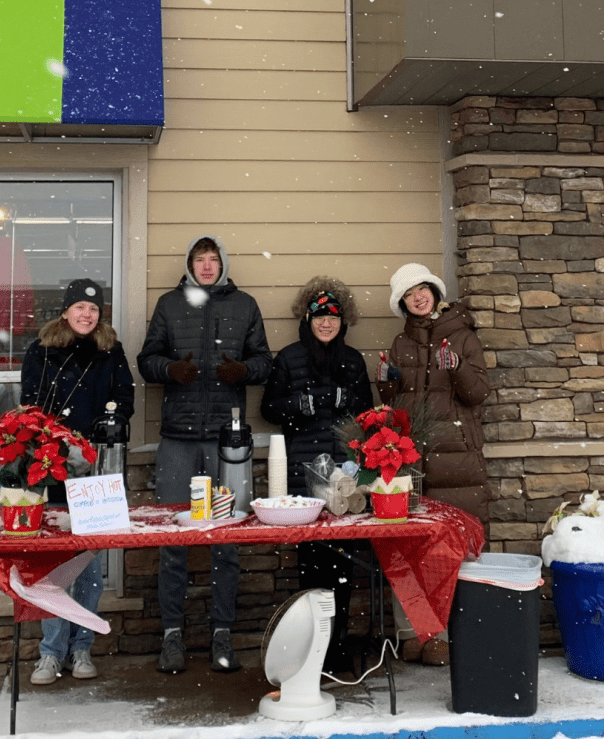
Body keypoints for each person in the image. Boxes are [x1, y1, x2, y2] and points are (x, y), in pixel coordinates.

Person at [137, 235, 271, 674]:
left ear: (223, 264)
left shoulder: (245, 304)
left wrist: (243, 371)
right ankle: (172, 636)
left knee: (226, 540)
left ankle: (222, 635)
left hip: (226, 443)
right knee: (173, 541)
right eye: (200, 260)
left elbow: (263, 362)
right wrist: (171, 370)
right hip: (177, 439)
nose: (208, 266)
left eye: (214, 260)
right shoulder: (170, 304)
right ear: (190, 264)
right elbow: (147, 359)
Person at [21, 279, 135, 685]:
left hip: (97, 470)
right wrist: (54, 441)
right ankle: (50, 653)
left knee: (86, 564)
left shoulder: (111, 351)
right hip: (52, 466)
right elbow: (31, 405)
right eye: (80, 308)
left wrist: (112, 421)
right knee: (53, 566)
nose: (87, 315)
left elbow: (125, 397)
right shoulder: (41, 351)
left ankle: (82, 647)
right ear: (66, 311)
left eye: (93, 309)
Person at [376, 262, 490, 665]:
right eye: (410, 294)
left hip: (457, 459)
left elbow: (478, 395)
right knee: (406, 549)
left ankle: (446, 634)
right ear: (403, 303)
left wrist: (456, 370)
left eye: (423, 289)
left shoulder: (463, 337)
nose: (418, 297)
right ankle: (413, 632)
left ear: (435, 293)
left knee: (452, 551)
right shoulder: (399, 343)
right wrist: (386, 381)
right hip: (411, 464)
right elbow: (392, 405)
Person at [260, 277, 373, 674]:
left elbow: (367, 414)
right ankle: (310, 645)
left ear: (343, 322)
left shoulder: (354, 360)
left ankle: (337, 643)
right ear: (308, 320)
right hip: (300, 473)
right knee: (309, 563)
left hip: (343, 472)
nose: (327, 324)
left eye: (334, 318)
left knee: (342, 563)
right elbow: (269, 408)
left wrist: (350, 403)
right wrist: (301, 404)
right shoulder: (289, 357)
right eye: (320, 317)